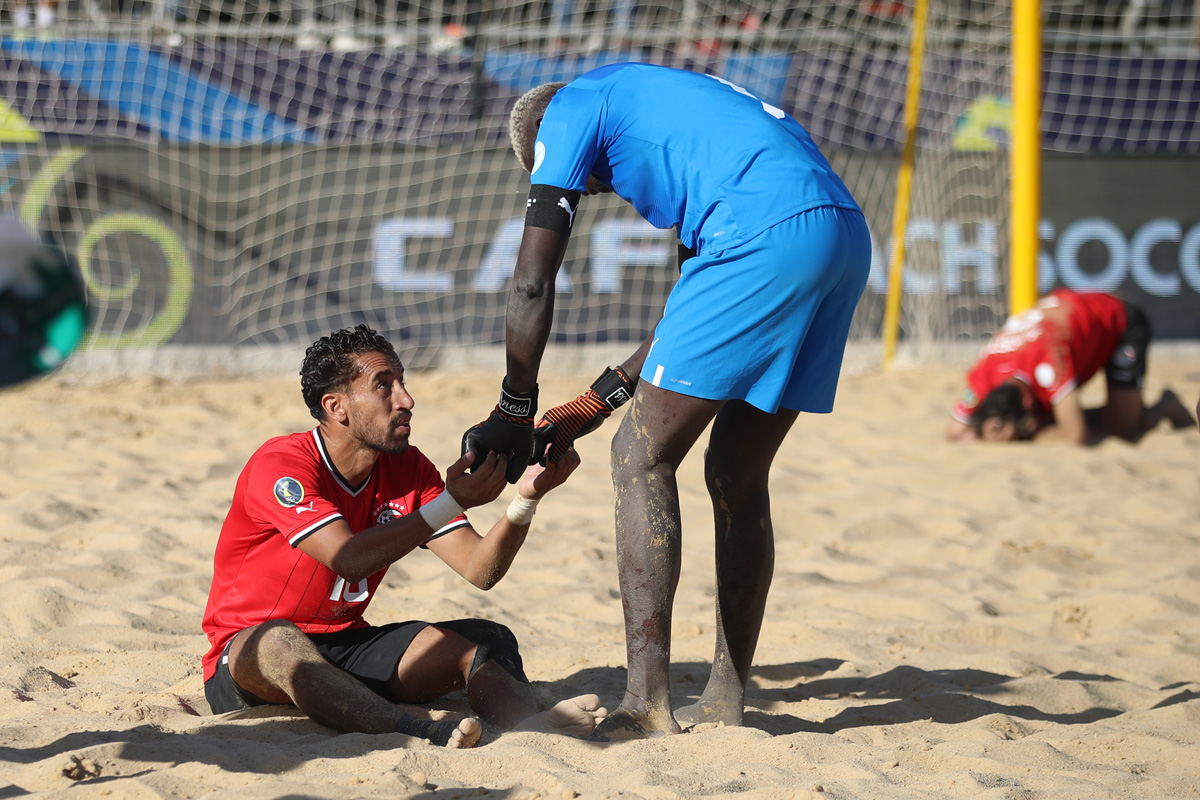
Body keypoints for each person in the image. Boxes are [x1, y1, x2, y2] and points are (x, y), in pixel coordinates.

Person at [462, 63, 871, 739]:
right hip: (840, 237)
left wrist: (513, 408)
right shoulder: (670, 114)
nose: (594, 190)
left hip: (761, 236)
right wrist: (596, 401)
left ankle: (647, 704)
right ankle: (724, 698)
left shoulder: (565, 114)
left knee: (640, 458)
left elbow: (532, 284)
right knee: (735, 472)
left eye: (584, 183)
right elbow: (679, 326)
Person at [201, 324, 607, 749]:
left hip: (343, 646)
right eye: (384, 385)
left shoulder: (409, 467)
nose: (406, 400)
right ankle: (418, 730)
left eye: (402, 382)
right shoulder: (281, 463)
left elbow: (479, 568)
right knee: (280, 640)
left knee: (486, 640)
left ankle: (532, 728)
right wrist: (448, 503)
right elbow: (348, 558)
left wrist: (525, 500)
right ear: (336, 407)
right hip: (246, 658)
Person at [946, 289, 1196, 445]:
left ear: (1027, 403)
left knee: (1123, 430)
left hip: (1119, 321)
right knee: (1065, 415)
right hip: (1067, 313)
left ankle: (1167, 406)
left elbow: (1077, 435)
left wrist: (1026, 436)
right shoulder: (983, 375)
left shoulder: (1046, 362)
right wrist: (983, 430)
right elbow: (956, 429)